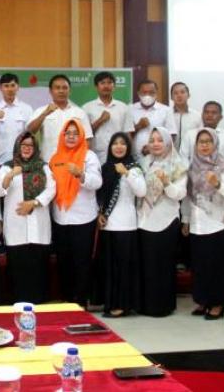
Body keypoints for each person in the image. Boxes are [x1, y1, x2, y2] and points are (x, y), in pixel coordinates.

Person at [0, 131, 56, 304]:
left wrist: (34, 203)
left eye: (30, 145)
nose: (27, 148)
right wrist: (10, 175)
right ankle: (18, 307)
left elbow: (52, 189)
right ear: (17, 147)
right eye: (23, 145)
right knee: (18, 272)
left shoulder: (43, 167)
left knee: (38, 271)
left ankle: (40, 306)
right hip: (16, 228)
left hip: (39, 227)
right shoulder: (7, 167)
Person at [186, 128, 224, 320]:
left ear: (215, 143)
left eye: (208, 141)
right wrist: (186, 220)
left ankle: (217, 303)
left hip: (219, 224)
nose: (204, 145)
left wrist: (217, 184)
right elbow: (188, 197)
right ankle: (203, 300)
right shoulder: (192, 167)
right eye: (201, 142)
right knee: (200, 265)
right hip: (198, 223)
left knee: (218, 266)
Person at [50, 119, 102, 307]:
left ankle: (81, 302)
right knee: (64, 262)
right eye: (68, 133)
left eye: (75, 133)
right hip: (60, 217)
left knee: (82, 262)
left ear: (81, 136)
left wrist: (81, 174)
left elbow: (97, 182)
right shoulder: (56, 158)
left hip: (83, 218)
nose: (71, 137)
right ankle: (67, 301)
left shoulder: (89, 156)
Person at [137, 128, 188, 317]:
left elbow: (180, 194)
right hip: (144, 219)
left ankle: (163, 306)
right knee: (147, 265)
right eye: (152, 140)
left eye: (160, 140)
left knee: (164, 265)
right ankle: (145, 305)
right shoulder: (144, 162)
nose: (156, 144)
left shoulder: (178, 165)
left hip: (167, 219)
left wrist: (166, 183)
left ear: (168, 142)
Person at [96, 132, 146, 317]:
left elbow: (141, 191)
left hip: (126, 225)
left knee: (124, 268)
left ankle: (123, 305)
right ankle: (110, 302)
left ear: (128, 147)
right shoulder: (105, 168)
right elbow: (100, 196)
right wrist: (99, 214)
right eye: (115, 143)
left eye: (122, 143)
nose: (118, 147)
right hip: (108, 225)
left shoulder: (134, 168)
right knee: (110, 268)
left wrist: (126, 173)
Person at [27, 74, 93, 162]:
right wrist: (44, 114)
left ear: (70, 91)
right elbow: (30, 131)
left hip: (73, 163)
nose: (61, 91)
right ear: (50, 91)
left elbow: (87, 139)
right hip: (48, 161)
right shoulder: (42, 110)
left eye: (65, 88)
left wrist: (79, 159)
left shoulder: (79, 112)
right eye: (57, 88)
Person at [0, 73, 34, 168]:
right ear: (0, 88)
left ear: (18, 87)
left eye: (13, 85)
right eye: (6, 86)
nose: (10, 89)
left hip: (22, 162)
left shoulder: (27, 109)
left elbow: (31, 136)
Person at [83, 71, 135, 164]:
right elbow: (84, 135)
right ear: (96, 87)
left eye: (109, 82)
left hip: (119, 156)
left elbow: (128, 134)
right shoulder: (87, 108)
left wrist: (128, 156)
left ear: (114, 86)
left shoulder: (123, 107)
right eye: (102, 83)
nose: (106, 86)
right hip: (95, 156)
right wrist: (100, 121)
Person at [131, 80, 176, 158]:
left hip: (159, 158)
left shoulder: (166, 110)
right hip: (134, 157)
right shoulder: (130, 109)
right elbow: (125, 135)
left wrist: (154, 148)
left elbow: (172, 135)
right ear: (138, 93)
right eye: (144, 92)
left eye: (151, 92)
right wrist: (138, 126)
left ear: (156, 93)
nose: (147, 95)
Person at [170, 82, 201, 153]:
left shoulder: (197, 116)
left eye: (182, 92)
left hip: (191, 155)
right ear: (171, 97)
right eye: (175, 93)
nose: (179, 95)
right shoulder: (166, 114)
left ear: (188, 95)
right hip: (170, 155)